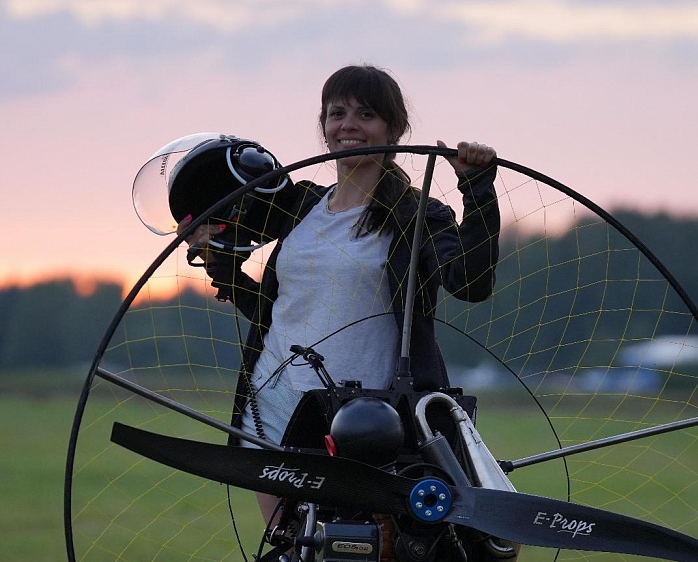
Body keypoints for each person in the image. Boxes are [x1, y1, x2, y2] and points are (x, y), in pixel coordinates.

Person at [185, 64, 500, 526]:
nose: (348, 125)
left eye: (366, 114)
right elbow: (283, 313)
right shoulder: (300, 206)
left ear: (394, 129)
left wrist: (476, 186)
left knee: (355, 560)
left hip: (367, 423)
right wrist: (218, 259)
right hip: (272, 406)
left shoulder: (418, 214)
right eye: (337, 113)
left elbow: (471, 284)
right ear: (324, 128)